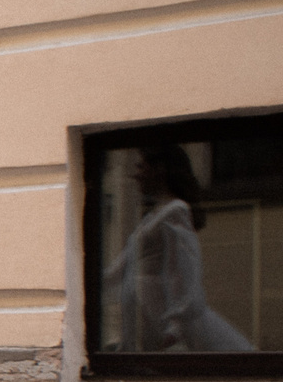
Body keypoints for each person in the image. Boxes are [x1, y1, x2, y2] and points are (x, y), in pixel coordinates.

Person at [102, 144, 254, 353]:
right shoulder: (150, 218)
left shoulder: (175, 211)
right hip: (149, 318)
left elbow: (183, 270)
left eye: (141, 167)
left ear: (160, 169)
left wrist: (177, 325)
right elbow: (118, 269)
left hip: (167, 324)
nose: (135, 176)